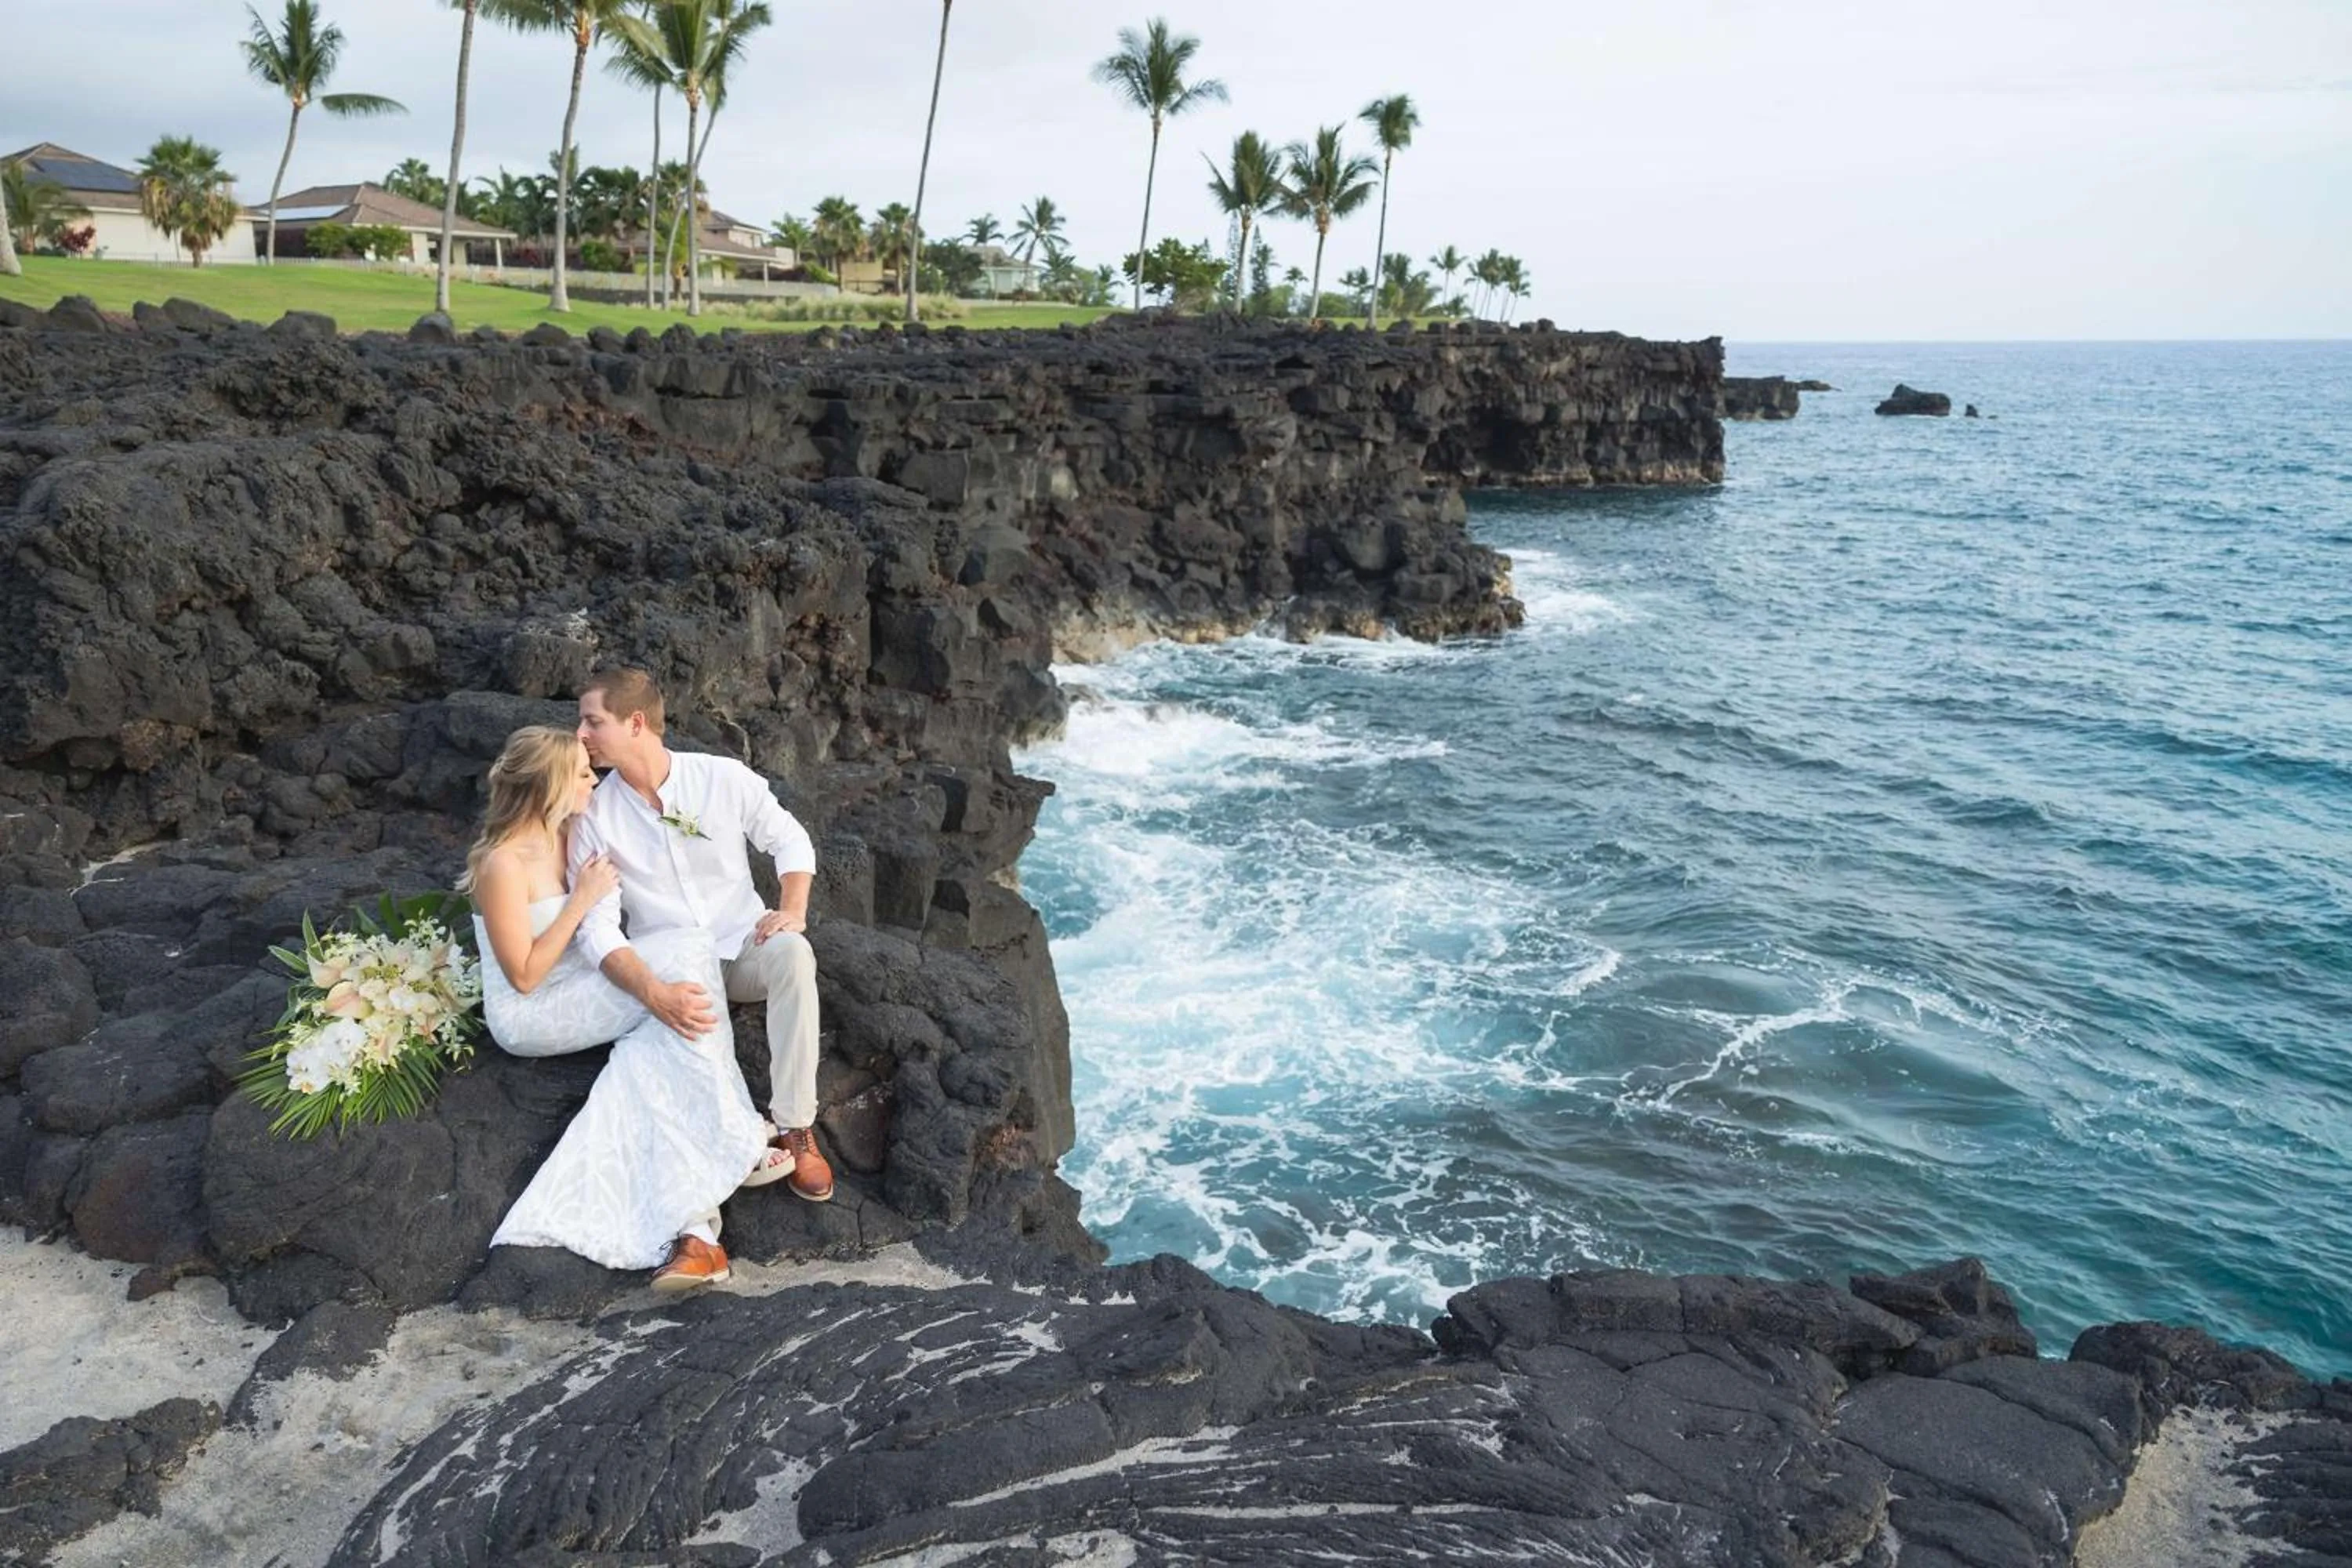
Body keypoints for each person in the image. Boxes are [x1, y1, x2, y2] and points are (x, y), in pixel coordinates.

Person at [464, 726, 789, 1292]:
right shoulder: (501, 864)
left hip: (584, 990)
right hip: (533, 1013)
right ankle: (739, 1136)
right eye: (583, 774)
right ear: (552, 784)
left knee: (672, 997)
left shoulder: (568, 834)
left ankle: (697, 1231)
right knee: (674, 981)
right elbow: (524, 975)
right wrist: (582, 900)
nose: (595, 780)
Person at [569, 666, 835, 1206]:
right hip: (674, 971)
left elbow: (789, 841)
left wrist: (793, 911)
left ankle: (795, 1127)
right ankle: (700, 1214)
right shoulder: (593, 814)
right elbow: (595, 926)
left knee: (795, 956)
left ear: (636, 723)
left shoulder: (721, 777)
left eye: (593, 721)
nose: (581, 734)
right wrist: (650, 992)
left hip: (742, 948)